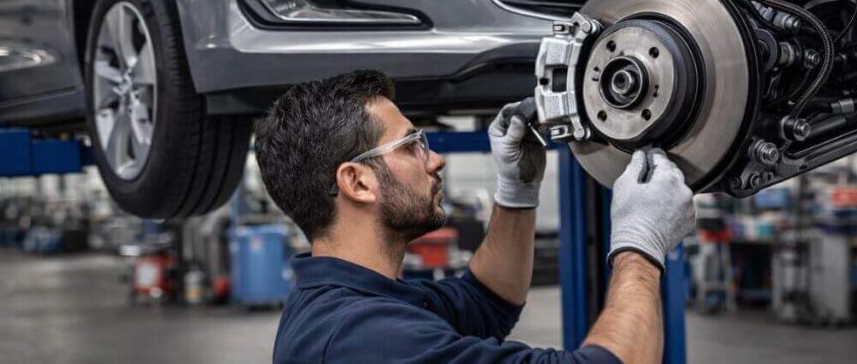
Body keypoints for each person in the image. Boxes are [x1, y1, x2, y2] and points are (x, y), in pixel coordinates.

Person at [255, 69, 696, 364]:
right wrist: (640, 245)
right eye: (411, 146)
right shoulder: (362, 339)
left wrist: (516, 192)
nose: (435, 162)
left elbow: (488, 301)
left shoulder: (357, 302)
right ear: (357, 183)